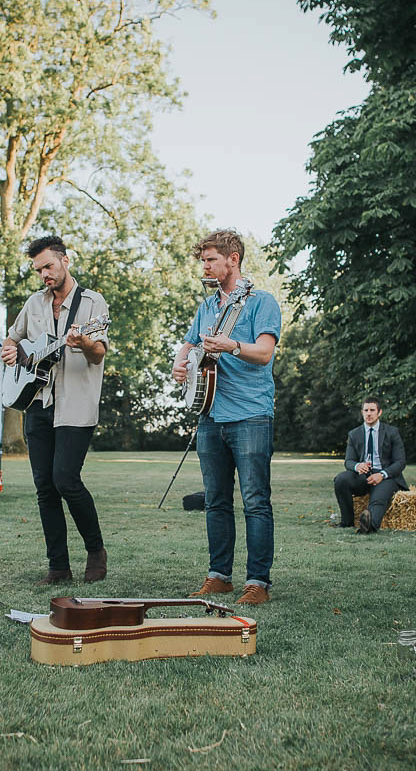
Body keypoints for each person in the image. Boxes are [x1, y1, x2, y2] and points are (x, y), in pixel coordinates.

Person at [172, 229, 282, 606]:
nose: (204, 266)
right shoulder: (206, 307)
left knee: (255, 500)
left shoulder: (261, 302)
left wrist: (231, 345)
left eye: (210, 259)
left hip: (251, 415)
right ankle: (219, 576)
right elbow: (189, 342)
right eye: (203, 260)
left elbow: (265, 352)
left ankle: (258, 583)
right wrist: (180, 361)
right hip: (210, 415)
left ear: (232, 259)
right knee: (216, 499)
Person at [1, 236, 110, 585]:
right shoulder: (34, 303)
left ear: (65, 260)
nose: (44, 274)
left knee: (66, 479)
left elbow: (99, 354)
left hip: (75, 405)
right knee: (44, 487)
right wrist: (10, 351)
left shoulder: (92, 303)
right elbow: (13, 339)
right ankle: (58, 567)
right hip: (37, 403)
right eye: (38, 270)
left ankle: (95, 550)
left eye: (48, 266)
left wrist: (84, 343)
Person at [333, 396, 408, 533]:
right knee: (341, 479)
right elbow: (348, 461)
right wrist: (357, 466)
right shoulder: (354, 434)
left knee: (377, 500)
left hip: (385, 476)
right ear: (362, 412)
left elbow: (400, 462)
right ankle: (347, 522)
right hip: (363, 475)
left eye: (372, 410)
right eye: (366, 410)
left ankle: (368, 526)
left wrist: (382, 474)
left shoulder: (392, 432)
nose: (369, 413)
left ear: (379, 412)